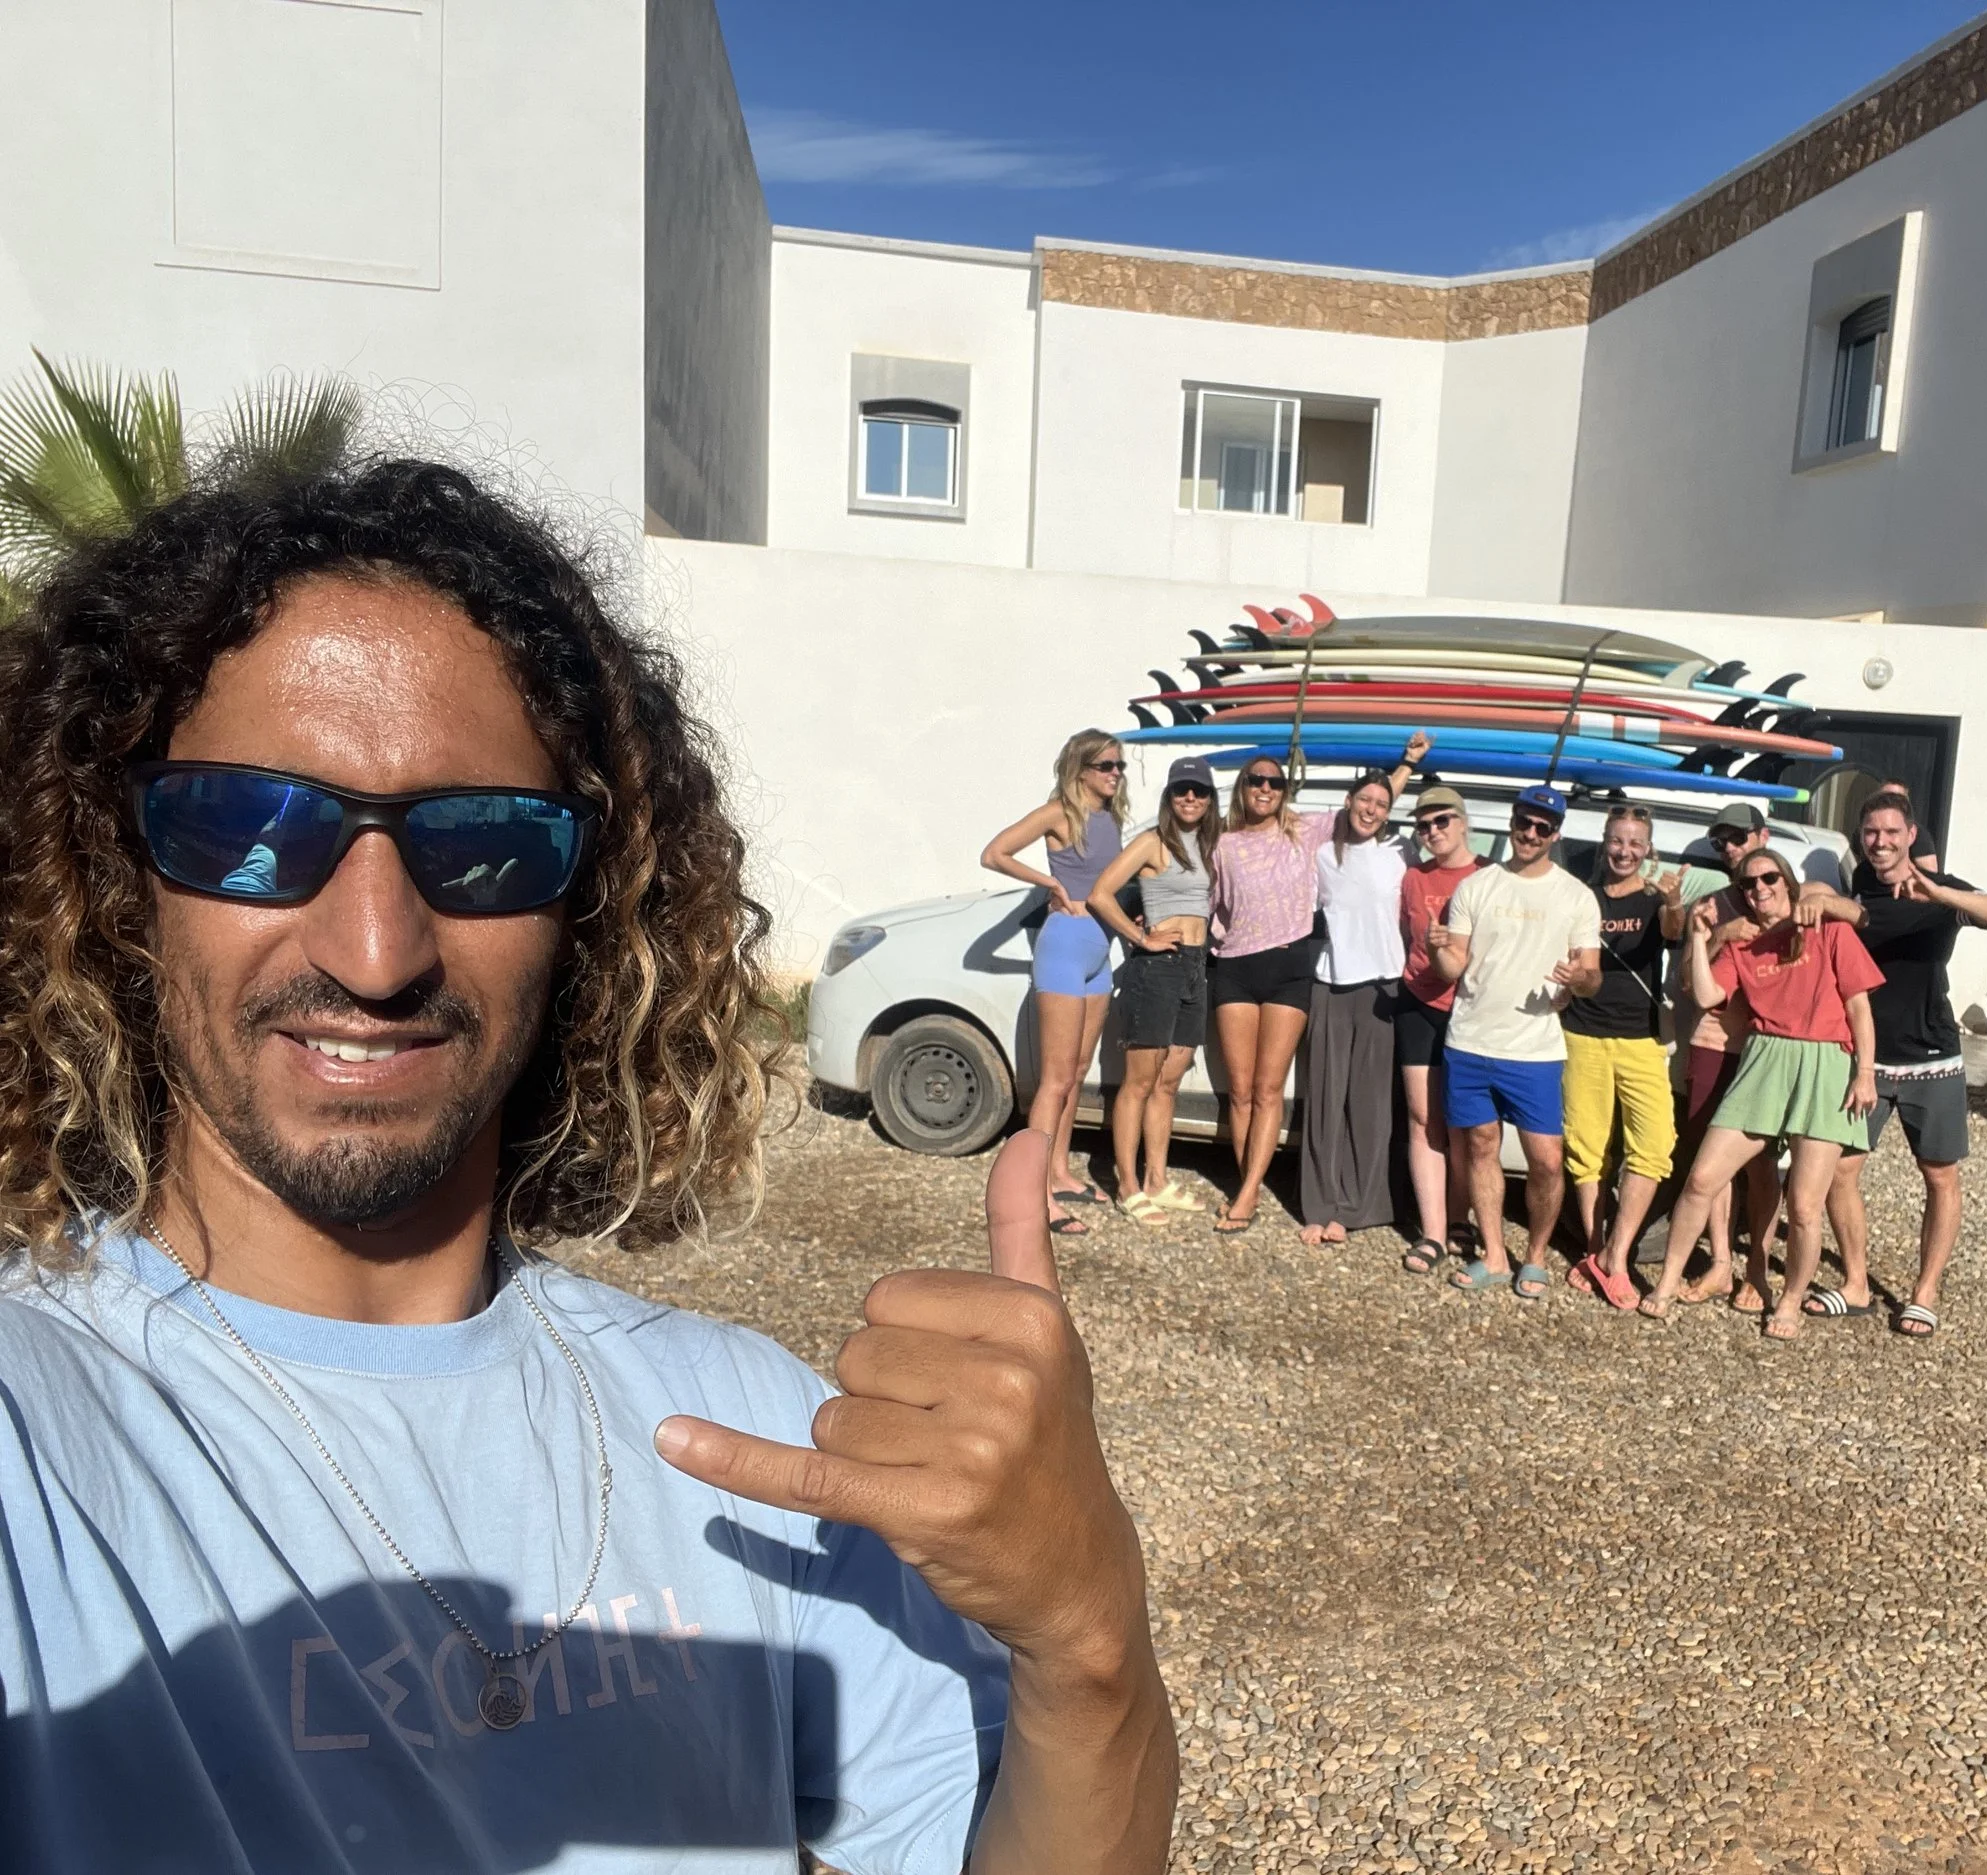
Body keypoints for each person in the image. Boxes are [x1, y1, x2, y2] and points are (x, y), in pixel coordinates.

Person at [0, 460, 1175, 1871]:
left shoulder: (753, 1426)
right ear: (117, 869)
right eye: (252, 826)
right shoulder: (33, 1431)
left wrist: (1090, 1629)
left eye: (485, 845)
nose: (374, 952)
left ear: (589, 905)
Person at [1643, 848, 1883, 1340]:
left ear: (1787, 882)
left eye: (1769, 878)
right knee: (1702, 1178)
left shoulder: (1826, 928)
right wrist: (1699, 937)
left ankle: (1790, 1301)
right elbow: (1707, 996)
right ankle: (1667, 1282)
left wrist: (1865, 1073)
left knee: (1804, 1205)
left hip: (1825, 1064)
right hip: (1764, 1060)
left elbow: (1859, 1008)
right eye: (1747, 885)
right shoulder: (1743, 944)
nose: (1759, 890)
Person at [1810, 789, 1987, 1337]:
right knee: (1840, 1171)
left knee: (1939, 1174)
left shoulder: (1940, 894)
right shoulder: (1855, 892)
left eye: (1890, 832)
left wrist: (1942, 893)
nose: (1879, 842)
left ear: (1910, 835)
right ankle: (1856, 1283)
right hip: (1866, 1056)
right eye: (1871, 833)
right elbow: (1827, 903)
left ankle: (1925, 1291)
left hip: (1933, 1055)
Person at [1207, 739, 1424, 1233]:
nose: (1265, 787)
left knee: (1268, 1090)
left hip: (1291, 968)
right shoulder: (1222, 842)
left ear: (1286, 792)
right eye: (1256, 780)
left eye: (1275, 782)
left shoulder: (1304, 831)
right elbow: (1207, 899)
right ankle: (1250, 1188)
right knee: (1240, 1092)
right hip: (1237, 966)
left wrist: (1408, 764)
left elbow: (1374, 801)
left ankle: (1247, 1196)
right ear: (1242, 788)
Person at [1427, 784, 1602, 1300]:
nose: (1530, 833)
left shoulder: (1575, 896)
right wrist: (1437, 950)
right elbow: (1455, 965)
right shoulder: (1478, 886)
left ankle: (1536, 1255)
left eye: (1542, 827)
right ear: (1512, 822)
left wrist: (1577, 979)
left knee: (1546, 1160)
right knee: (1480, 1146)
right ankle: (1496, 1255)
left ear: (1555, 834)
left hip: (1536, 1049)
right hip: (1471, 1039)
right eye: (1524, 822)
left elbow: (1593, 977)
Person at [980, 728, 1129, 1236]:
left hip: (1099, 952)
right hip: (1064, 946)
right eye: (1106, 765)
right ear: (1080, 768)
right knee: (1055, 1080)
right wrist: (1049, 883)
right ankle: (1035, 1195)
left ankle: (1060, 1172)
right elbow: (994, 853)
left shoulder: (1109, 819)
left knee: (1077, 1072)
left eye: (1119, 766)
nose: (1115, 774)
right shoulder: (1058, 813)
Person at [1560, 804, 1685, 1310]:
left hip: (1639, 1039)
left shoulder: (1657, 901)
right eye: (1616, 841)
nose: (1624, 851)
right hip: (1581, 1034)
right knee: (1587, 1149)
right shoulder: (1581, 898)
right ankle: (1596, 1252)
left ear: (1648, 849)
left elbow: (1674, 932)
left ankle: (1616, 1253)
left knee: (1655, 1145)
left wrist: (1674, 900)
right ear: (1604, 842)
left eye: (1635, 843)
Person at [1087, 755, 1221, 1227]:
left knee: (1169, 1082)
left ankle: (1157, 1180)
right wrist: (1141, 937)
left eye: (1199, 791)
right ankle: (1127, 1186)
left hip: (1194, 967)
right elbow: (1101, 893)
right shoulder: (1152, 842)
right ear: (1169, 796)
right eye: (1182, 789)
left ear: (1209, 799)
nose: (1190, 798)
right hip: (1157, 968)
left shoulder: (1209, 844)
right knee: (1139, 1082)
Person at [1300, 757, 1428, 1246]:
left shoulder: (1399, 854)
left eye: (1381, 804)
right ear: (1348, 802)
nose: (1371, 810)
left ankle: (1356, 1208)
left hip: (1384, 986)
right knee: (1325, 1102)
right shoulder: (1322, 855)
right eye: (1364, 800)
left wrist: (1407, 766)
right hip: (1331, 984)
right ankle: (1318, 1204)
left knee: (1371, 1105)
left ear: (1389, 811)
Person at [1659, 801, 1782, 1303]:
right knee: (1713, 1160)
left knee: (1761, 1164)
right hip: (1715, 1042)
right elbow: (1691, 981)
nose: (1729, 848)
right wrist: (1716, 936)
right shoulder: (1713, 901)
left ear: (1762, 836)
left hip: (1769, 1048)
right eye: (1721, 841)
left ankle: (1757, 1266)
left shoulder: (1786, 898)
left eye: (1737, 837)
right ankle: (1721, 1262)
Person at [1393, 784, 1482, 1275]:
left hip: (1470, 1007)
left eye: (1442, 821)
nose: (1432, 832)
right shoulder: (1412, 877)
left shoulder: (1488, 874)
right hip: (1418, 1002)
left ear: (1464, 822)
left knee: (1466, 1122)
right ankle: (1432, 1232)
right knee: (1423, 1117)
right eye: (1423, 825)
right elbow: (1403, 937)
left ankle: (1460, 1218)